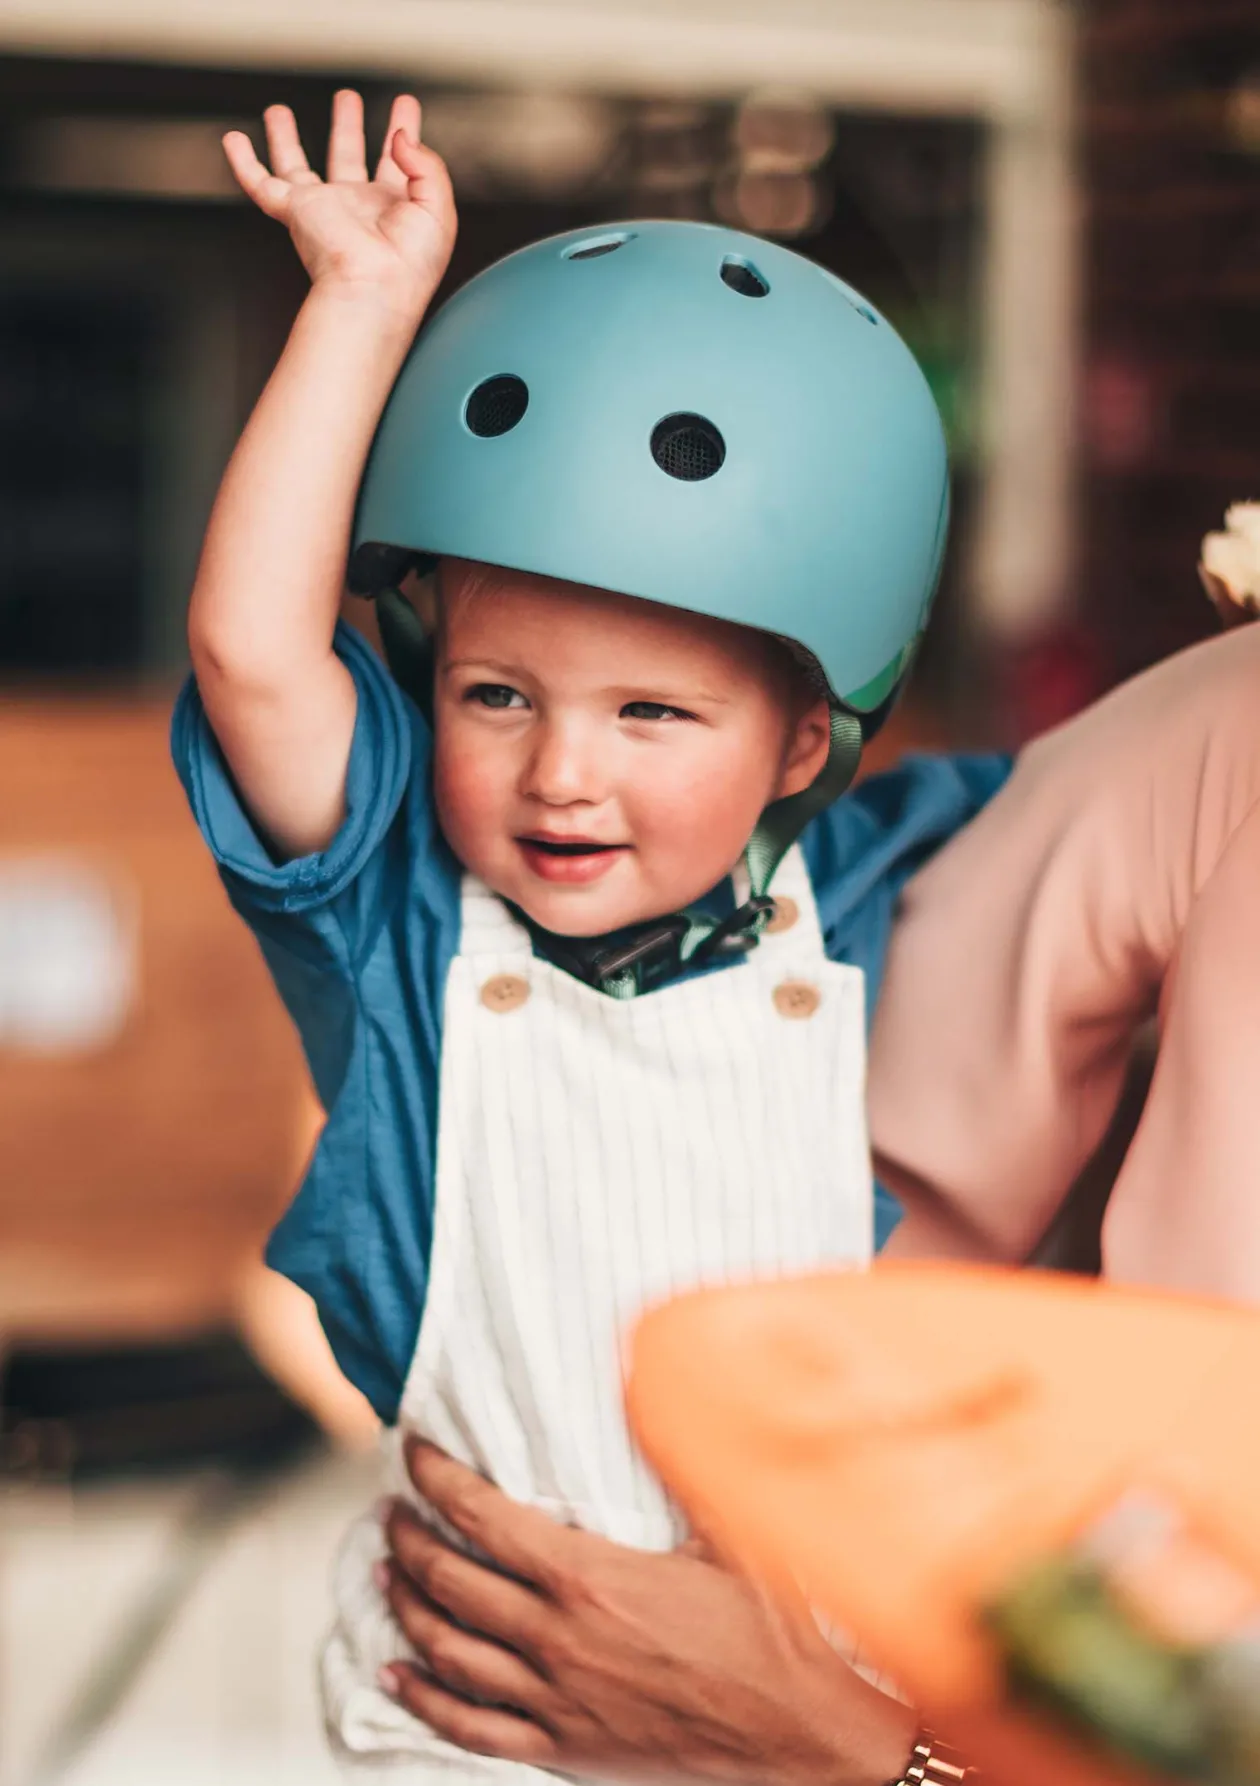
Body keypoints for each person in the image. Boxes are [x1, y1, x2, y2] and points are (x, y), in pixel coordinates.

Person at [172, 89, 1008, 1781]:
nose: (562, 772)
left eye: (651, 712)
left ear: (806, 741)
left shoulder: (869, 885)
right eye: (497, 694)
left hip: (793, 1692)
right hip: (471, 1719)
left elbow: (1154, 817)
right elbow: (256, 657)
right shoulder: (399, 917)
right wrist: (362, 309)